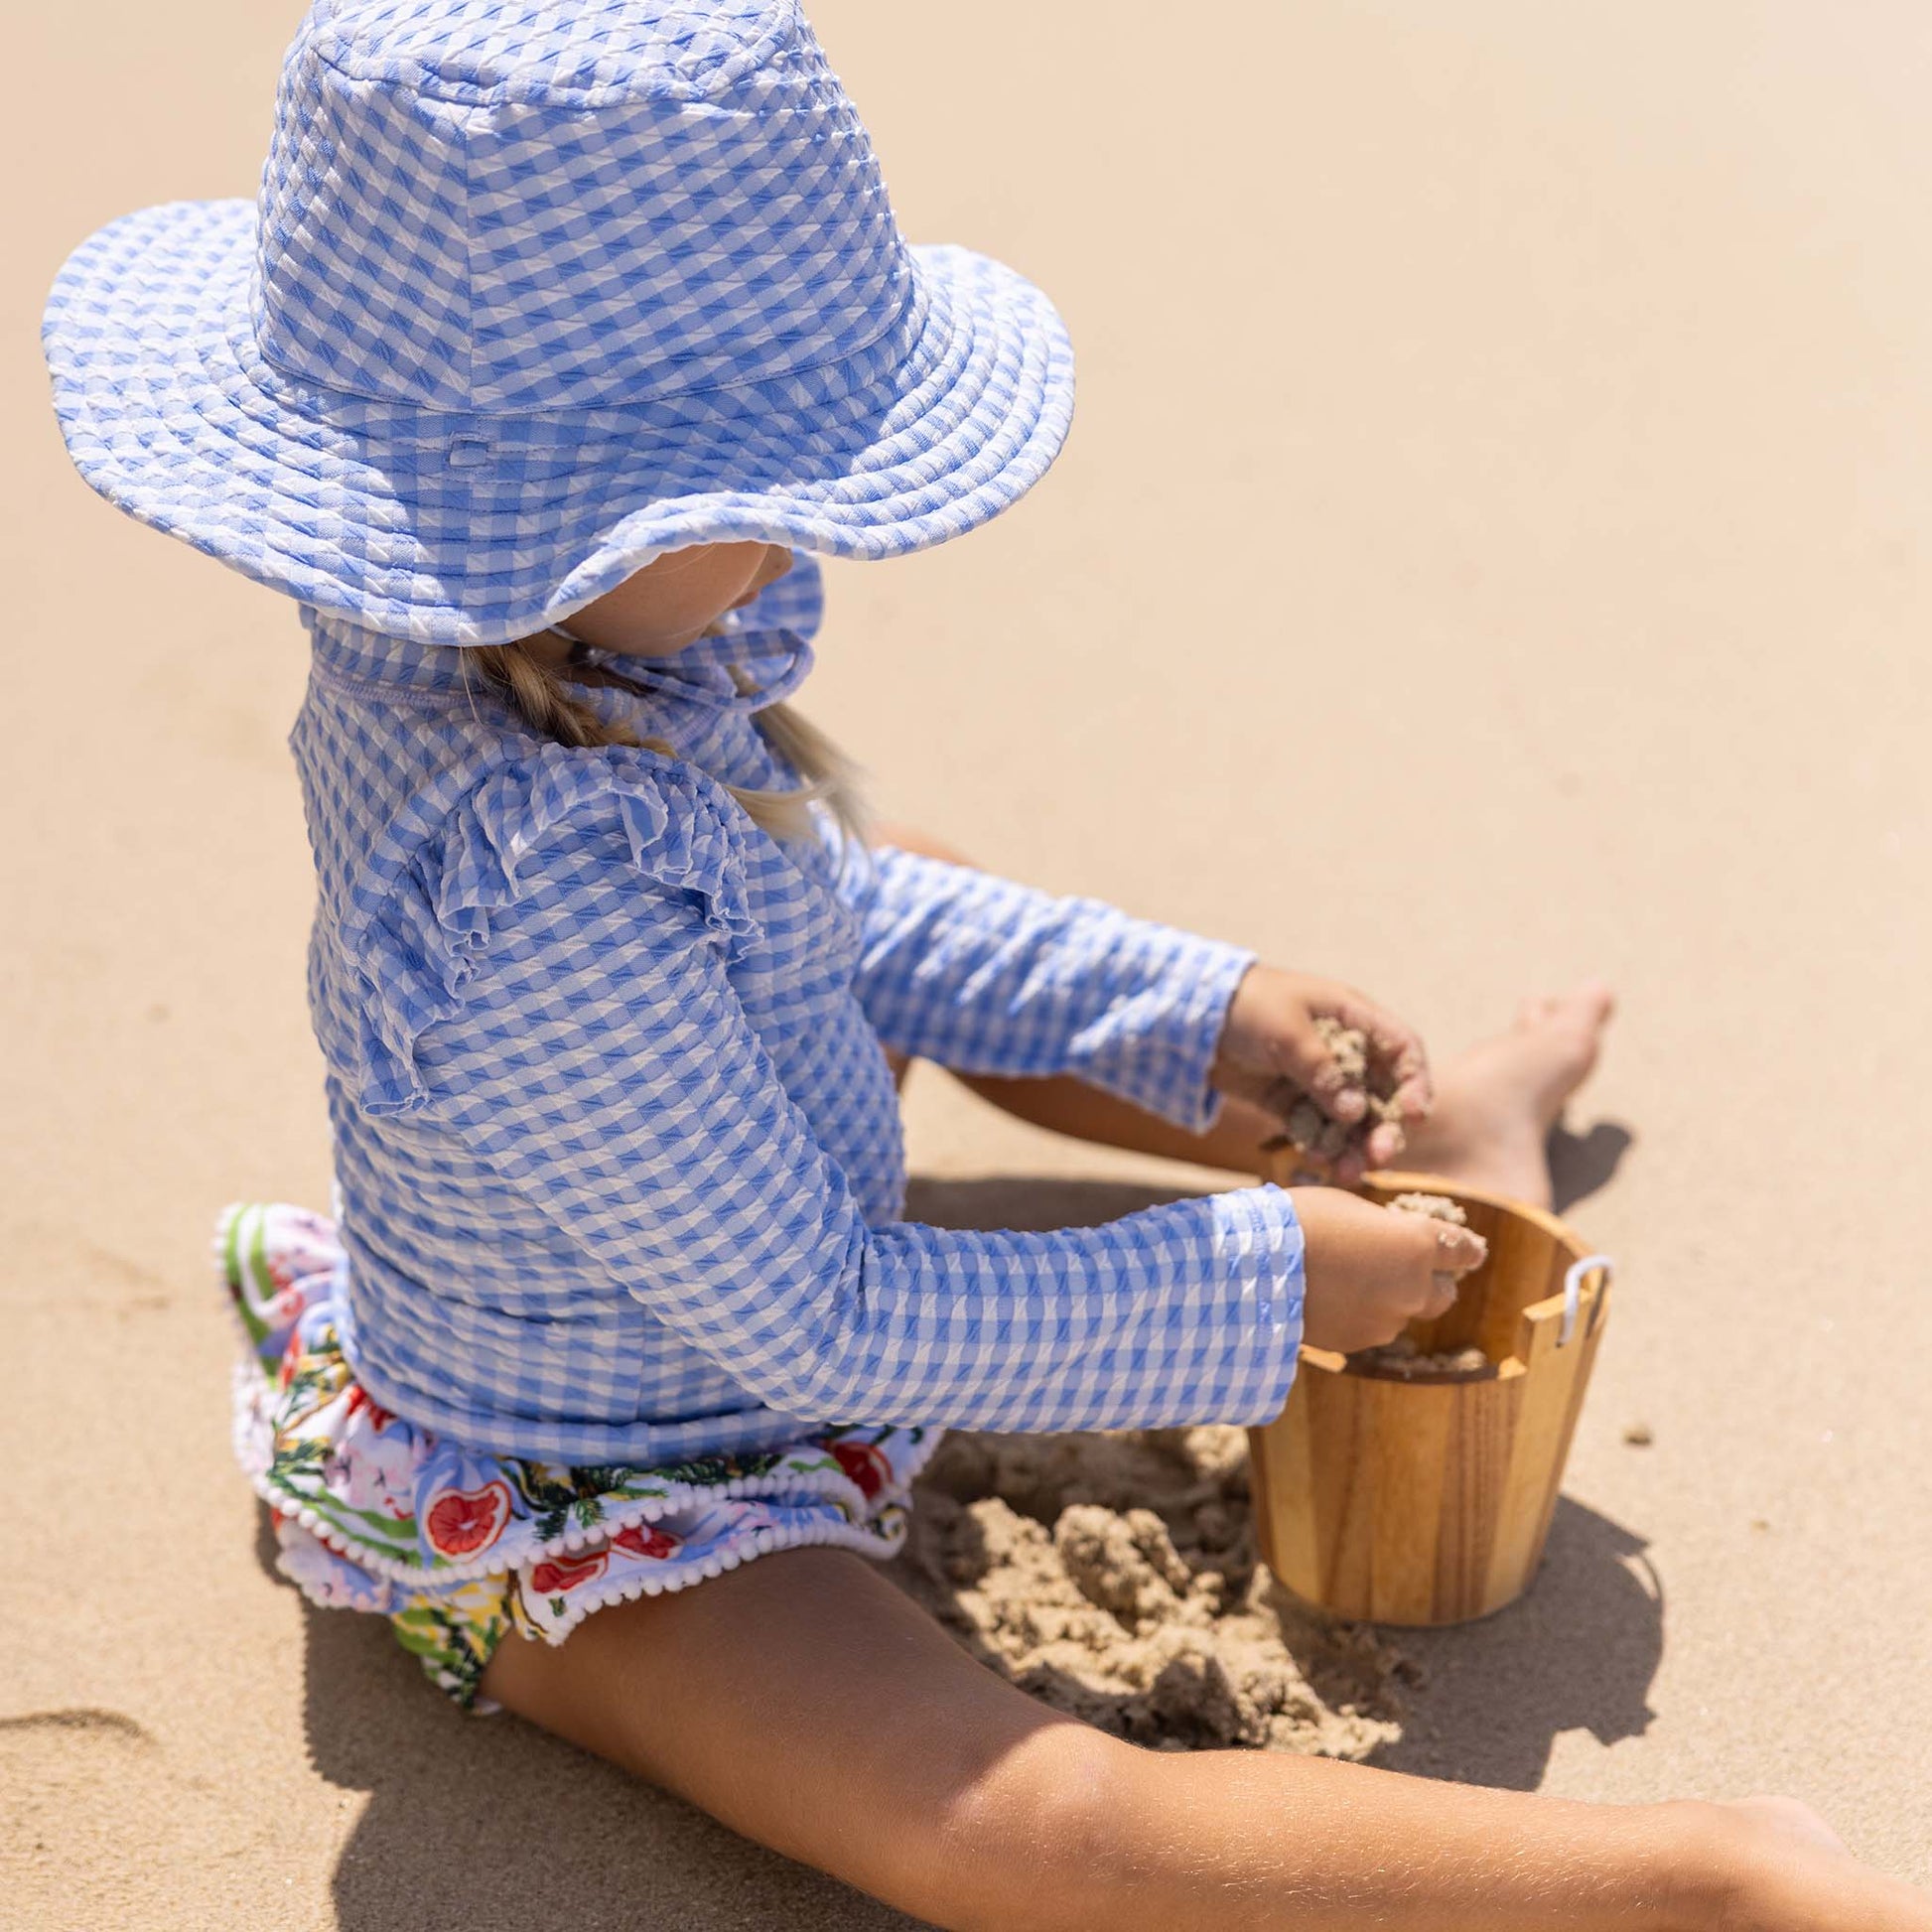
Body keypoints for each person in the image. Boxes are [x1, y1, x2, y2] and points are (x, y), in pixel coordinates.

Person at [44, 2, 1929, 1924]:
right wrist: (1258, 1286)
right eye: (763, 491)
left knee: (904, 878)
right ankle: (1705, 1880)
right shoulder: (524, 895)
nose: (800, 541)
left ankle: (1419, 1145)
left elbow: (846, 897)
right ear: (575, 513)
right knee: (1004, 1824)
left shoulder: (532, 639)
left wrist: (1191, 1000)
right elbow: (814, 1327)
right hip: (604, 1473)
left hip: (674, 1242)